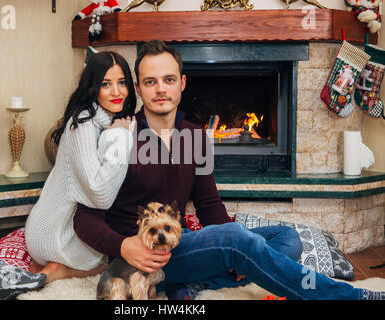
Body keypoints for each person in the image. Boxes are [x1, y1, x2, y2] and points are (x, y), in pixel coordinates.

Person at [73, 40, 384, 300]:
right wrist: (124, 246)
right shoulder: (121, 135)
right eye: (151, 82)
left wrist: (229, 242)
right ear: (139, 88)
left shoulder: (195, 136)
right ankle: (349, 296)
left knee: (287, 239)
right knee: (239, 242)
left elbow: (208, 203)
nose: (161, 90)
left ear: (182, 83)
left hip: (179, 246)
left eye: (169, 80)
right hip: (139, 256)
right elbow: (83, 217)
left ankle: (195, 281)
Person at [25, 51, 137, 284]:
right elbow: (101, 195)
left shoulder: (105, 120)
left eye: (122, 82)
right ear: (91, 88)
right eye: (106, 84)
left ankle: (49, 265)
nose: (117, 92)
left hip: (58, 229)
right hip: (56, 233)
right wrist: (121, 136)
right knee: (116, 259)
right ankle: (60, 270)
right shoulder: (83, 124)